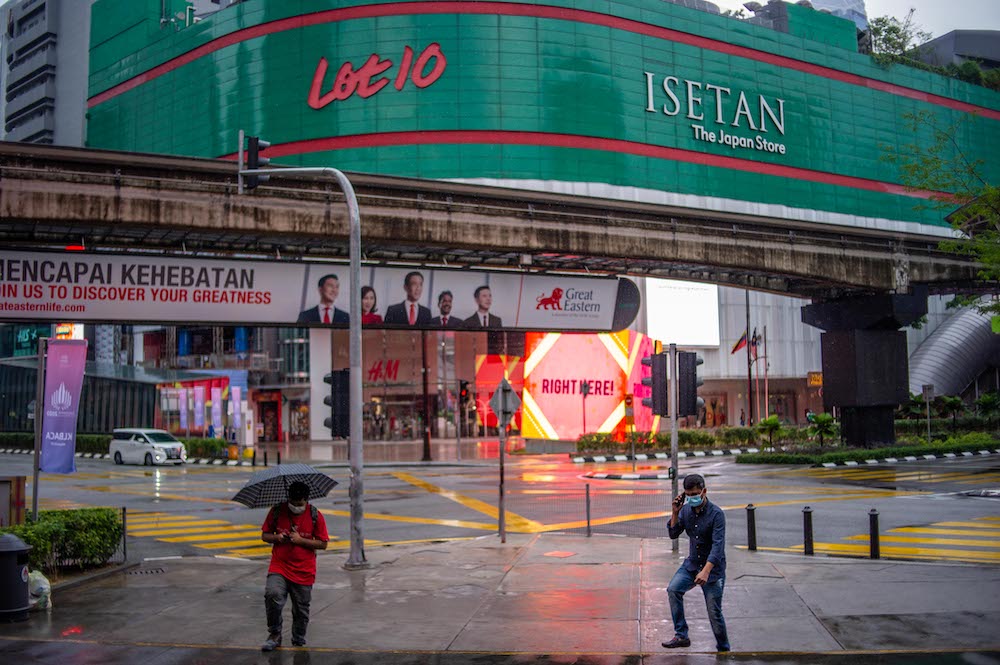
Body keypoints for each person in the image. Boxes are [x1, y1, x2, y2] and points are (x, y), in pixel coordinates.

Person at [663, 473, 730, 653]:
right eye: (689, 494)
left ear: (704, 491)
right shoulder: (685, 511)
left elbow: (718, 547)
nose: (692, 497)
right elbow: (673, 534)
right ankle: (681, 635)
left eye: (695, 494)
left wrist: (707, 571)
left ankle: (723, 648)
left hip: (712, 571)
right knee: (673, 590)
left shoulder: (717, 515)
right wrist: (675, 513)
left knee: (714, 613)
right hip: (692, 565)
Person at [260, 481, 329, 652]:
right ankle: (275, 633)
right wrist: (277, 538)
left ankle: (298, 639)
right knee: (272, 594)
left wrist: (300, 541)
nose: (296, 507)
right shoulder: (277, 511)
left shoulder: (315, 515)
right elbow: (265, 535)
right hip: (280, 566)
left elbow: (323, 544)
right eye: (293, 503)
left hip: (304, 570)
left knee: (301, 609)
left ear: (306, 500)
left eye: (300, 504)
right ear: (288, 498)